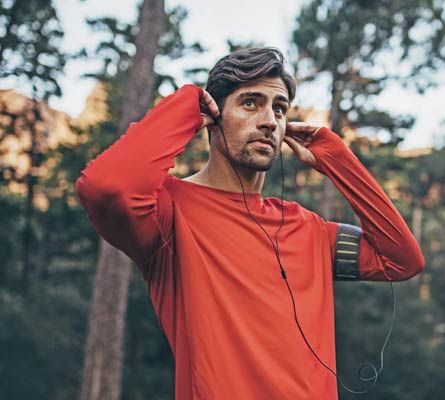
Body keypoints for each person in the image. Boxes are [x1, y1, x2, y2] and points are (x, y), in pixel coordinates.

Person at [76, 47, 425, 400]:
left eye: (279, 108)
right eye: (250, 103)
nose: (270, 121)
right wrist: (185, 106)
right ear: (212, 115)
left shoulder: (308, 229)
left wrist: (337, 159)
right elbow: (105, 186)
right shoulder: (168, 213)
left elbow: (401, 259)